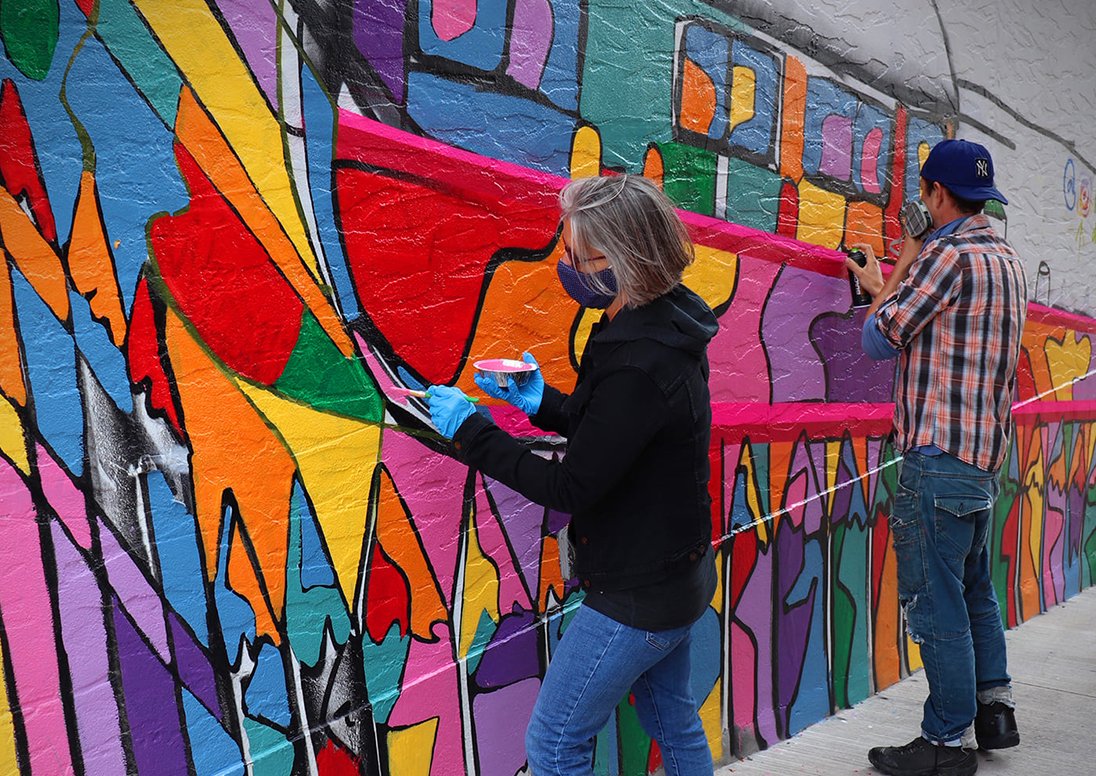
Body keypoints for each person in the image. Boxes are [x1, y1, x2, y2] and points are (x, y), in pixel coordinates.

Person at [426, 174, 719, 775]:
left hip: (638, 592)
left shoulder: (642, 357)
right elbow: (616, 432)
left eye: (583, 255)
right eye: (570, 250)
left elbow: (571, 486)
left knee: (556, 743)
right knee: (673, 721)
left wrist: (471, 431)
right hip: (674, 575)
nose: (570, 265)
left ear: (629, 258)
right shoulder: (655, 321)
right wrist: (543, 403)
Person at [847, 139, 1028, 776]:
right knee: (974, 590)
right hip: (982, 461)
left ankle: (946, 742)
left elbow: (878, 337)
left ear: (936, 195)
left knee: (936, 601)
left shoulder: (944, 256)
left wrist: (887, 276)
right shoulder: (1005, 259)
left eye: (922, 194)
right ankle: (992, 710)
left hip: (936, 455)